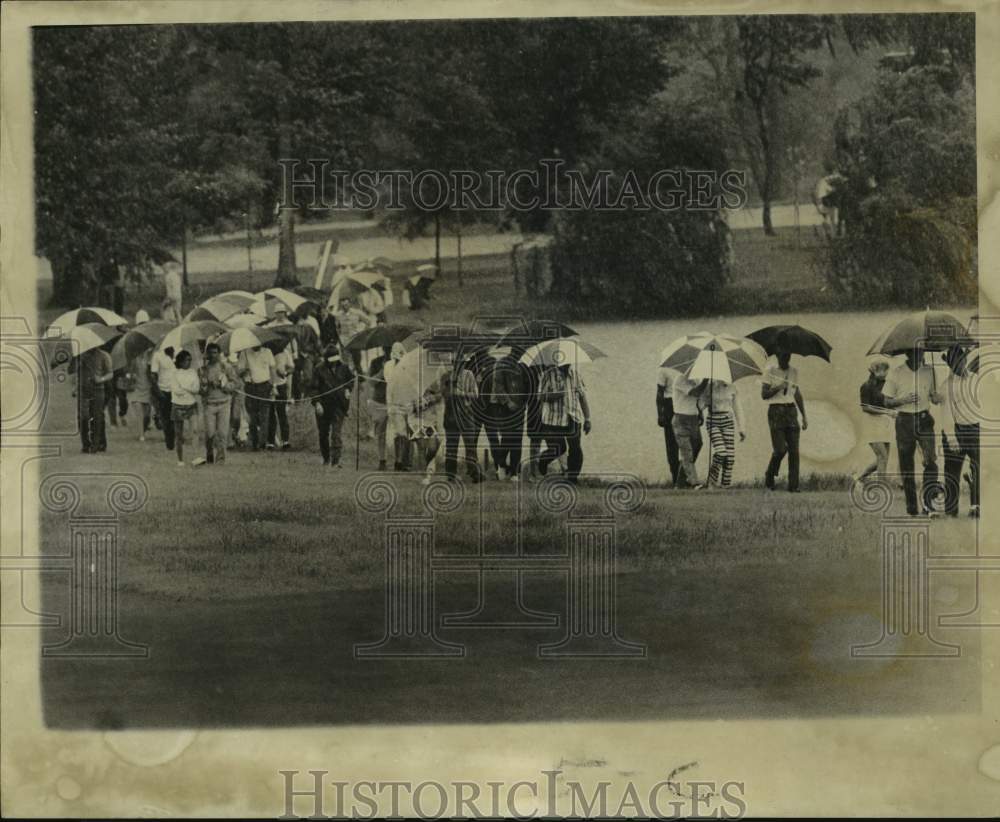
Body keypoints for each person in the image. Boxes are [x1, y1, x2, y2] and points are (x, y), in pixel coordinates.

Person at [883, 346, 942, 517]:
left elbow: (933, 397)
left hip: (924, 420)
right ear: (908, 354)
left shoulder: (930, 371)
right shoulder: (896, 372)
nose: (920, 355)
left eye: (922, 351)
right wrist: (902, 400)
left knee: (931, 461)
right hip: (904, 421)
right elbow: (886, 401)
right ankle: (912, 509)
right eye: (916, 352)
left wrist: (936, 398)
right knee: (907, 466)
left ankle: (928, 506)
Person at [941, 345, 980, 518]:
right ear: (951, 364)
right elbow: (946, 414)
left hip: (975, 429)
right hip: (956, 431)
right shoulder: (945, 386)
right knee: (951, 471)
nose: (962, 364)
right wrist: (951, 438)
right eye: (958, 361)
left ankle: (976, 506)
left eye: (963, 359)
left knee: (978, 468)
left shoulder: (975, 379)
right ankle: (951, 511)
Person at [536, 363, 591, 484]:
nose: (568, 363)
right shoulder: (548, 375)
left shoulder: (575, 375)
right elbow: (540, 396)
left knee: (575, 449)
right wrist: (556, 395)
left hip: (573, 417)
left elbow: (583, 398)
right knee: (559, 448)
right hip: (553, 420)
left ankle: (572, 478)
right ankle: (543, 460)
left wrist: (587, 419)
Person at [762, 349, 808, 493]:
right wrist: (778, 387)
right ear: (777, 356)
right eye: (783, 355)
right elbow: (764, 394)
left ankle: (793, 486)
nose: (786, 358)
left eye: (788, 355)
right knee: (780, 449)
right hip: (776, 411)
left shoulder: (794, 372)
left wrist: (804, 415)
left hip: (791, 411)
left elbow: (797, 393)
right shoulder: (770, 370)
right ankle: (770, 474)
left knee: (794, 451)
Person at [311, 345, 354, 467]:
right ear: (326, 359)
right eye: (331, 361)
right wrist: (317, 403)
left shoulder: (344, 367)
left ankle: (336, 461)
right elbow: (313, 388)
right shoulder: (318, 369)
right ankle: (326, 458)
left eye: (336, 360)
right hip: (323, 406)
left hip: (339, 405)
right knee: (323, 433)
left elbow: (351, 380)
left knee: (336, 433)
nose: (334, 363)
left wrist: (348, 390)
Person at [854, 358, 895, 486]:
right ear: (875, 371)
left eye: (886, 370)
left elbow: (888, 402)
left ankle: (859, 478)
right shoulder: (866, 386)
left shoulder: (886, 385)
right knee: (882, 456)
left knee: (883, 458)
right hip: (871, 423)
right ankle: (881, 487)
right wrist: (886, 412)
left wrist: (892, 409)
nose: (886, 373)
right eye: (883, 370)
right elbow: (865, 407)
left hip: (884, 423)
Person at [699, 379, 745, 488]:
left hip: (728, 421)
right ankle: (711, 482)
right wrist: (706, 398)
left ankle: (725, 486)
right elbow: (700, 406)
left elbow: (738, 409)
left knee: (730, 457)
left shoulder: (732, 387)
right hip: (713, 421)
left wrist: (742, 428)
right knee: (721, 452)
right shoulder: (709, 386)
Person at [442, 358, 482, 483]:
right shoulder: (446, 376)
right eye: (457, 362)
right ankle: (450, 474)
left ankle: (474, 472)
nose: (459, 365)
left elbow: (475, 394)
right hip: (451, 415)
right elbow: (444, 394)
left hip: (466, 414)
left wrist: (460, 393)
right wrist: (450, 388)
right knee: (451, 446)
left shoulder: (469, 375)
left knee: (470, 444)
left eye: (462, 362)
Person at [199, 342, 238, 465]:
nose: (213, 355)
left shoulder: (226, 367)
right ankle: (209, 452)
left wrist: (224, 386)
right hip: (209, 404)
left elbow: (235, 383)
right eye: (210, 353)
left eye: (215, 352)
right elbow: (201, 390)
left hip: (224, 403)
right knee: (210, 433)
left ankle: (221, 458)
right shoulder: (202, 370)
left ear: (219, 354)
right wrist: (207, 385)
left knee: (222, 433)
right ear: (207, 354)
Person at [72, 346, 114, 453]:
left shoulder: (104, 356)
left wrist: (101, 379)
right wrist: (76, 387)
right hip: (83, 390)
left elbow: (110, 373)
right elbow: (75, 373)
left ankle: (96, 445)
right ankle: (85, 444)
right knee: (83, 417)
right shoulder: (81, 356)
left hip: (98, 389)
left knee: (97, 416)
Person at [238, 344, 277, 450]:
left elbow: (272, 369)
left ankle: (262, 443)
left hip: (265, 386)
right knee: (253, 417)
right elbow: (239, 371)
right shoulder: (244, 353)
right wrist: (244, 371)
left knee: (265, 416)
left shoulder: (267, 351)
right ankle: (254, 441)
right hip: (251, 387)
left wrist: (273, 386)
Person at [671, 372, 704, 489]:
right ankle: (694, 482)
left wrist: (700, 413)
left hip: (693, 418)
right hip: (681, 419)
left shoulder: (696, 380)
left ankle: (679, 483)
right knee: (687, 451)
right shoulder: (680, 379)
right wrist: (706, 382)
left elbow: (697, 399)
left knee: (698, 445)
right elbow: (694, 392)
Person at [384, 342, 412, 471]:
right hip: (394, 402)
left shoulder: (408, 365)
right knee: (399, 432)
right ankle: (398, 460)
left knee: (408, 432)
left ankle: (406, 461)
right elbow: (389, 382)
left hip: (407, 401)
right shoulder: (388, 366)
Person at [170, 350, 201, 467]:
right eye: (187, 360)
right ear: (180, 361)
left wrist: (185, 387)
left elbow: (196, 389)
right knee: (179, 434)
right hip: (178, 405)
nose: (189, 362)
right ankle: (180, 459)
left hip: (191, 404)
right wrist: (189, 388)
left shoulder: (193, 372)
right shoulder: (174, 373)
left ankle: (196, 456)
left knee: (195, 430)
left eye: (190, 360)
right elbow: (176, 390)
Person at [655, 367, 683, 487]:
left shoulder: (688, 368)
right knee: (672, 445)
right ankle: (676, 478)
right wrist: (660, 414)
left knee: (693, 442)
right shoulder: (664, 369)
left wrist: (699, 413)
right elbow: (659, 392)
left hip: (684, 404)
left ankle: (684, 476)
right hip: (669, 405)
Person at [367, 346, 392, 470]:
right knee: (381, 433)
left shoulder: (400, 361)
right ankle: (382, 460)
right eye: (386, 347)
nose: (388, 350)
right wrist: (382, 371)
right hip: (380, 401)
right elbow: (371, 382)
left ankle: (401, 462)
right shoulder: (375, 362)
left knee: (400, 434)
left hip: (395, 400)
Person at [267, 342, 294, 449]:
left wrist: (285, 373)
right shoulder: (266, 353)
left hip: (281, 385)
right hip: (268, 385)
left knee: (282, 413)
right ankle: (270, 441)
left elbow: (291, 368)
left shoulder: (285, 353)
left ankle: (285, 440)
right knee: (270, 414)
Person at [150, 344, 176, 451]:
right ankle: (169, 441)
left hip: (177, 390)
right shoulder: (157, 355)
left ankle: (175, 436)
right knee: (166, 417)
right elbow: (153, 375)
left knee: (176, 416)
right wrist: (158, 392)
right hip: (163, 390)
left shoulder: (179, 351)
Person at [126, 349, 153, 441]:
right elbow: (128, 372)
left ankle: (144, 430)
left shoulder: (150, 357)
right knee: (139, 413)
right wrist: (130, 375)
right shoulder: (134, 359)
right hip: (136, 388)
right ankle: (141, 435)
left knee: (147, 414)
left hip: (147, 387)